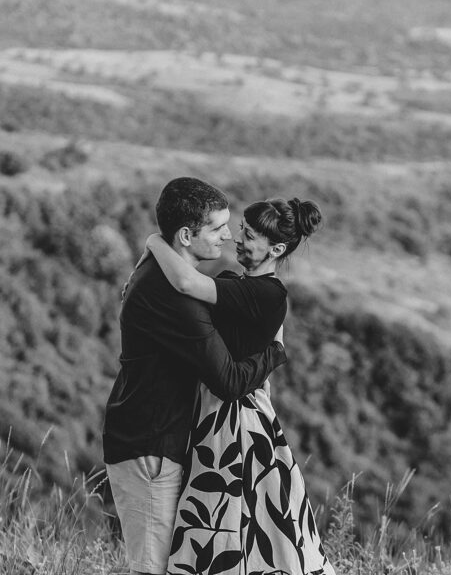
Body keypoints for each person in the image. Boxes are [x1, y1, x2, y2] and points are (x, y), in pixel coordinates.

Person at [103, 178, 287, 575]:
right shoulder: (175, 299)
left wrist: (154, 242)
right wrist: (274, 352)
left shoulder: (162, 274)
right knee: (151, 568)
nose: (228, 236)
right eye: (218, 228)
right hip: (150, 447)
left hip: (154, 438)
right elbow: (229, 382)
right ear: (186, 236)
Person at [142, 197, 336, 574]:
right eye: (242, 230)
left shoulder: (266, 294)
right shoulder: (242, 285)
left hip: (232, 424)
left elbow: (186, 282)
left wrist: (154, 242)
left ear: (275, 250)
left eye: (249, 235)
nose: (237, 239)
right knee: (238, 527)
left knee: (221, 527)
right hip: (220, 413)